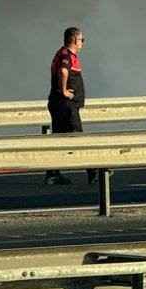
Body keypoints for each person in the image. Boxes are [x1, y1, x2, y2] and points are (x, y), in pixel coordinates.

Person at [45, 26, 91, 185]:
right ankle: (93, 169)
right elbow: (64, 72)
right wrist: (64, 91)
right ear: (74, 40)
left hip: (61, 104)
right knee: (78, 136)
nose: (83, 43)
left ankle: (53, 174)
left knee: (59, 139)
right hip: (65, 105)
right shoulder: (66, 55)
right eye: (81, 40)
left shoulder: (63, 54)